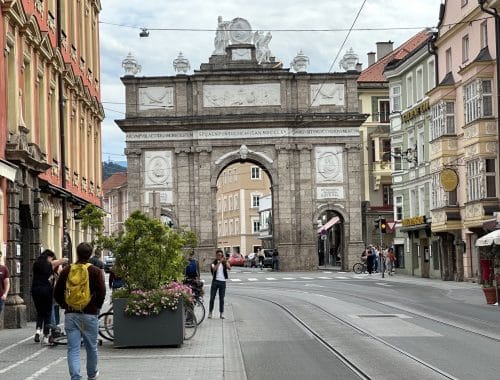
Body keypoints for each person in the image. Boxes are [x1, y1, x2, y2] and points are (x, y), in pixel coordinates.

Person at [54, 242, 106, 380]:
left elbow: (57, 292)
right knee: (91, 347)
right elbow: (102, 292)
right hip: (90, 314)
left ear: (76, 253)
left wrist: (65, 305)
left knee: (73, 349)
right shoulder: (95, 271)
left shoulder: (67, 270)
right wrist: (96, 307)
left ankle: (76, 377)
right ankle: (92, 374)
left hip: (71, 314)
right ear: (90, 254)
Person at [31, 249, 68, 343]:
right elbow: (64, 260)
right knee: (47, 313)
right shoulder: (50, 264)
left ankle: (38, 332)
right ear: (49, 257)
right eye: (51, 257)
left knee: (40, 312)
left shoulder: (36, 264)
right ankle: (46, 336)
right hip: (46, 291)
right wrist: (63, 260)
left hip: (35, 290)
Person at [208, 249, 230, 319]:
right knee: (212, 298)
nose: (219, 256)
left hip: (222, 282)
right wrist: (219, 262)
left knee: (222, 299)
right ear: (216, 256)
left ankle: (221, 313)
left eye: (220, 255)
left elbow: (229, 268)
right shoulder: (213, 263)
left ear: (222, 255)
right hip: (215, 282)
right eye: (218, 255)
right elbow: (214, 269)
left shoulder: (224, 262)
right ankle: (210, 312)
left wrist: (225, 262)